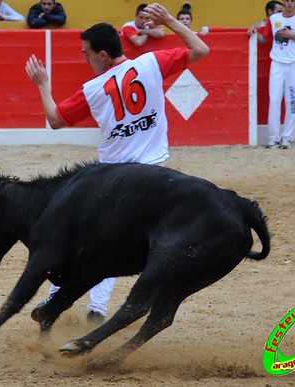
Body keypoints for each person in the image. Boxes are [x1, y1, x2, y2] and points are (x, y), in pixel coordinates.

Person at [25, 3, 209, 322]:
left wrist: (42, 84)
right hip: (155, 178)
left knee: (87, 240)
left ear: (103, 56)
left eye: (86, 54)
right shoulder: (152, 63)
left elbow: (54, 119)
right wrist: (168, 21)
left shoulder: (94, 89)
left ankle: (63, 298)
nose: (85, 59)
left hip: (112, 179)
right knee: (114, 245)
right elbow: (201, 48)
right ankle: (94, 307)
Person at [257, 0, 295, 149]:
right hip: (277, 63)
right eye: (287, 1)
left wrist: (293, 36)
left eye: (292, 1)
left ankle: (287, 137)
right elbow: (264, 39)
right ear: (284, 3)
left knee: (292, 102)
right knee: (274, 100)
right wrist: (253, 32)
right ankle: (274, 138)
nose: (289, 3)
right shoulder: (274, 19)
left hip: (294, 64)